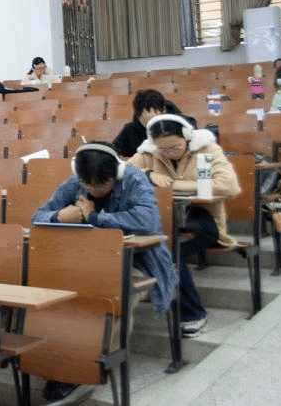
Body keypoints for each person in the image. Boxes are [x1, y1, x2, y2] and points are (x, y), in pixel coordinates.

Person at [32, 142, 178, 404]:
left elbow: (147, 222)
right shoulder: (76, 181)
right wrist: (58, 217)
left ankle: (86, 367)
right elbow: (38, 216)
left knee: (114, 298)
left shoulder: (134, 180)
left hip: (139, 262)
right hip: (89, 262)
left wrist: (95, 218)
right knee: (61, 295)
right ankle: (60, 361)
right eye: (87, 184)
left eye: (100, 185)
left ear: (115, 175)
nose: (92, 190)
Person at [127, 114, 241, 338]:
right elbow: (122, 172)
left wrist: (174, 185)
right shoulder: (148, 153)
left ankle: (194, 314)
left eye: (175, 147)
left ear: (187, 137)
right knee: (161, 248)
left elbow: (229, 186)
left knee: (169, 252)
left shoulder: (207, 149)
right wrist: (148, 174)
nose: (170, 152)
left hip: (202, 219)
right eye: (163, 149)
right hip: (165, 220)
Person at [112, 89, 196, 157]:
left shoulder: (185, 124)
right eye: (142, 116)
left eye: (153, 115)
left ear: (164, 110)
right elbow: (113, 151)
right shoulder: (130, 129)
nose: (147, 121)